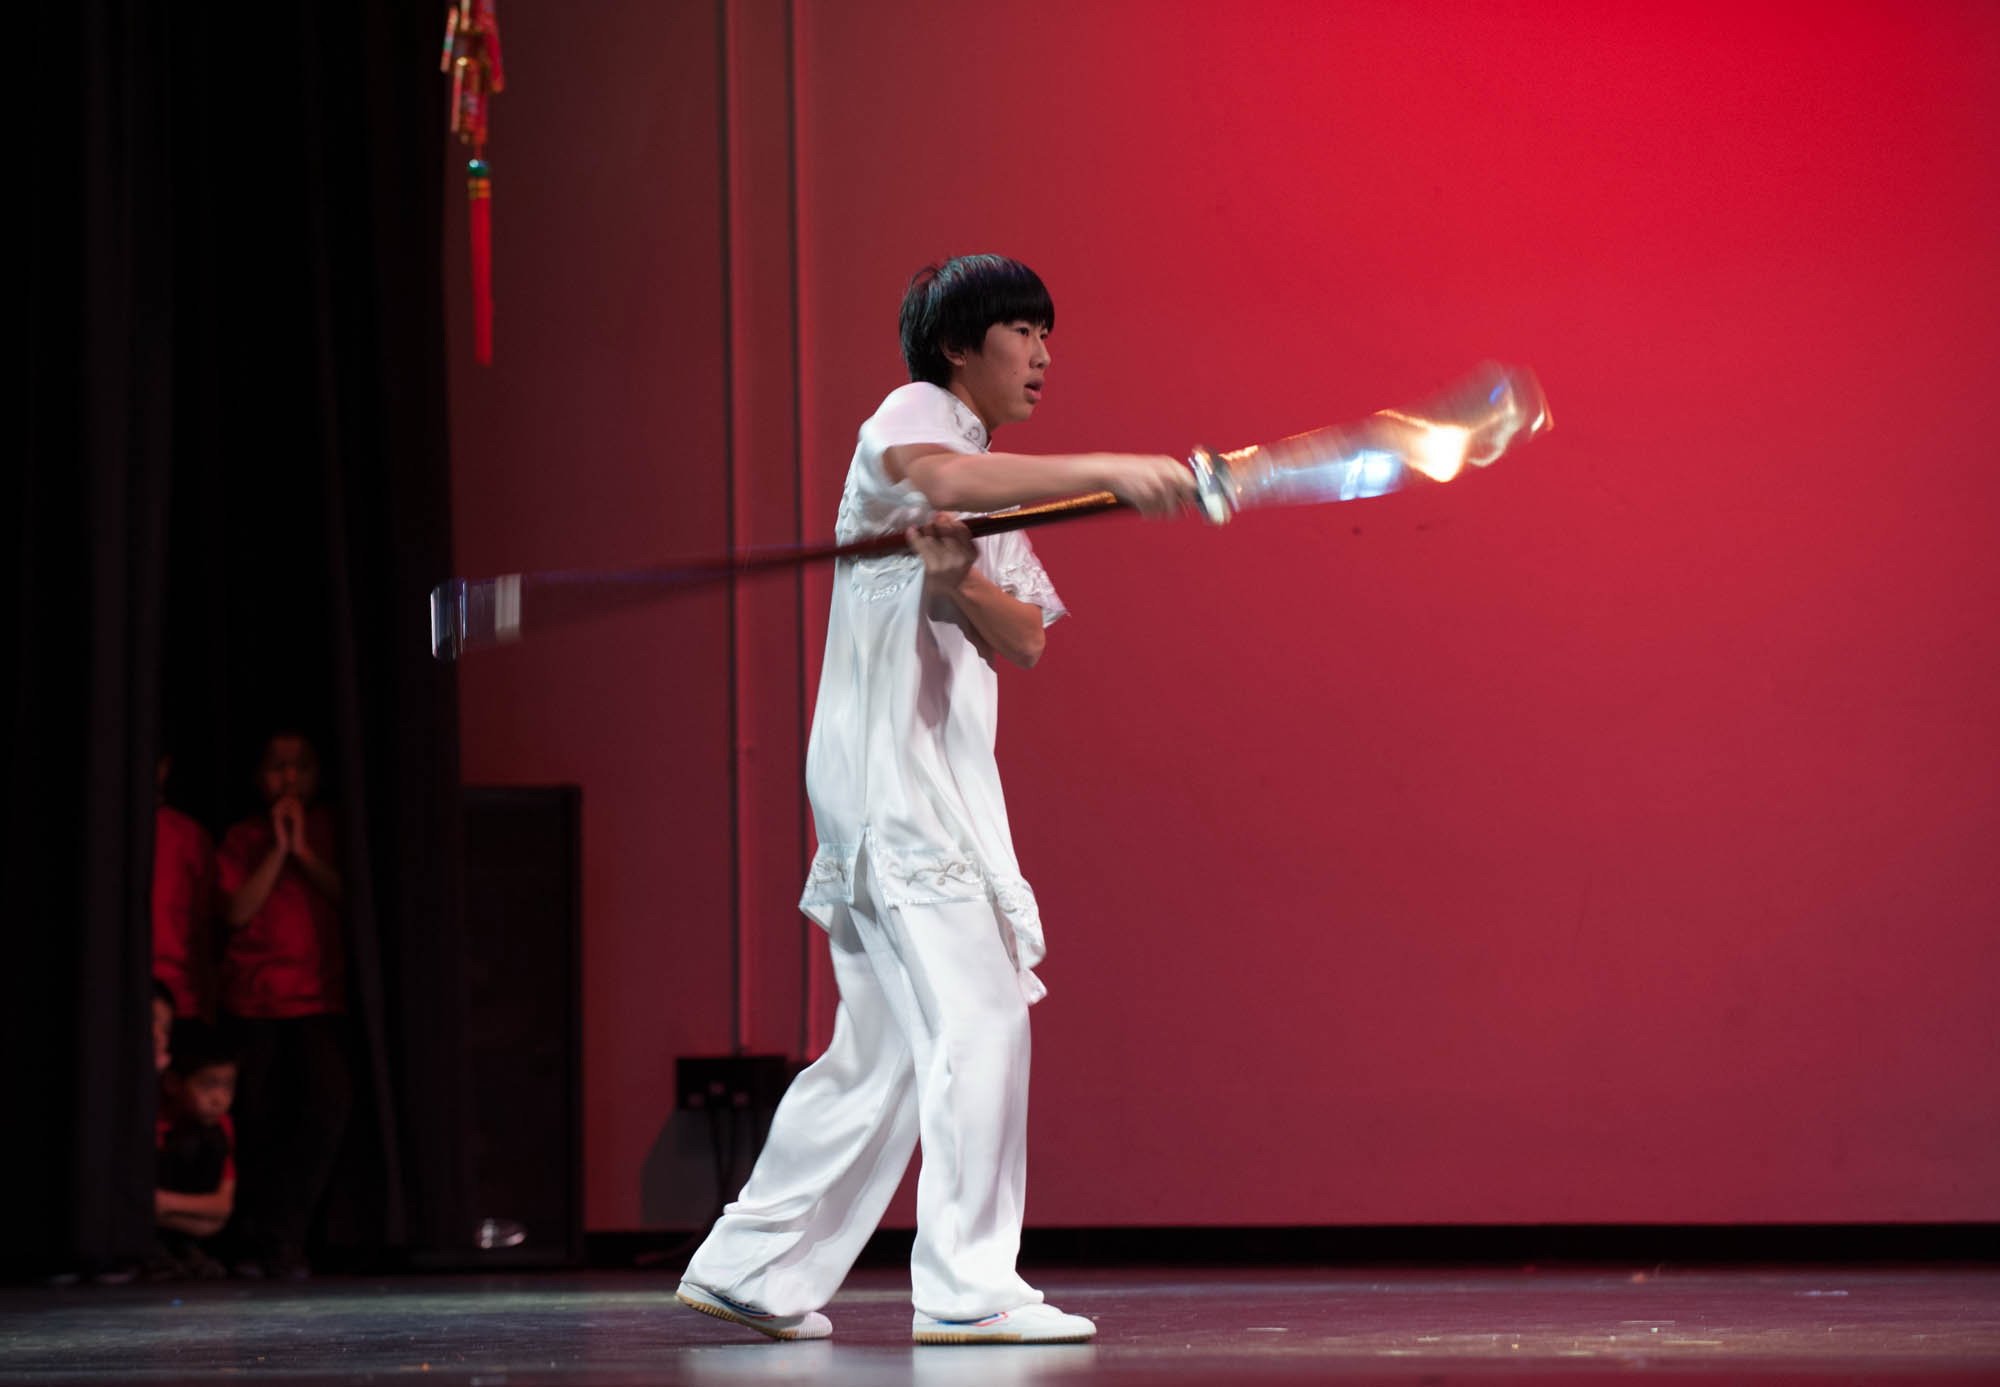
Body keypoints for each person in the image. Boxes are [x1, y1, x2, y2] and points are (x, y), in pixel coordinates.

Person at [678, 255, 1192, 1344]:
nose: (1043, 354)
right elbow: (943, 475)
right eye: (1021, 330)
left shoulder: (988, 484)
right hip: (895, 780)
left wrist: (957, 582)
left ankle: (752, 1266)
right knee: (981, 1016)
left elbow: (1024, 639)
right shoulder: (920, 414)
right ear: (959, 346)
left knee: (884, 1050)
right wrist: (1113, 467)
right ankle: (968, 1286)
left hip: (925, 780)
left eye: (1047, 334)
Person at [215, 730, 351, 1279]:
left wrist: (303, 852)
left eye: (300, 766)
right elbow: (235, 913)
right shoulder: (243, 837)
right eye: (276, 766)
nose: (289, 778)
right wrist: (276, 850)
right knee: (258, 1123)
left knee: (327, 1110)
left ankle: (286, 1236)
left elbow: (351, 897)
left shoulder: (333, 829)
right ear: (258, 776)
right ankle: (257, 1245)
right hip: (254, 1003)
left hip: (318, 1001)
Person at [153, 1019, 238, 1280]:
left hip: (162, 1208)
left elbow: (221, 1209)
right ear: (173, 1083)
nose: (219, 1098)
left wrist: (161, 1203)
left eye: (228, 1086)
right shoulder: (154, 1121)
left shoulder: (220, 1127)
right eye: (208, 1085)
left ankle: (183, 1248)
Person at [152, 753, 218, 1021]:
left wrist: (207, 1004)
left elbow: (205, 928)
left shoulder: (189, 837)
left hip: (180, 999)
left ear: (165, 766)